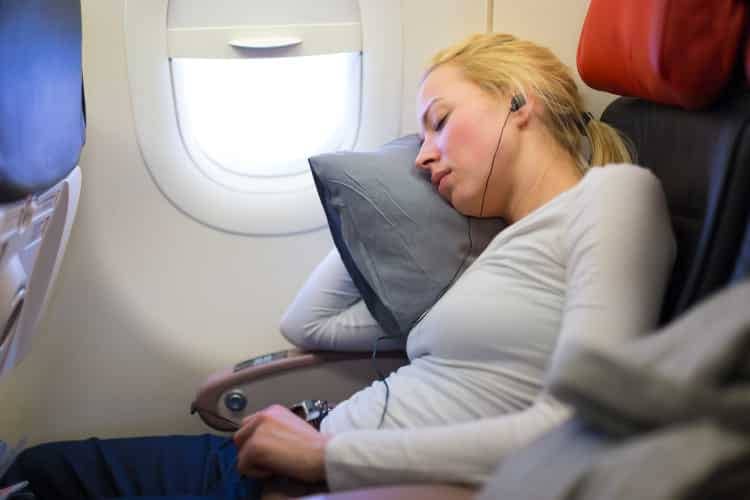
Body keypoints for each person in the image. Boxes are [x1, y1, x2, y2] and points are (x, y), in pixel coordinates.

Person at [0, 33, 675, 499]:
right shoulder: (492, 245)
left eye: (439, 122)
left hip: (337, 475)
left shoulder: (614, 197)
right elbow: (309, 323)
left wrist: (326, 456)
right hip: (305, 455)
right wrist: (387, 190)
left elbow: (580, 426)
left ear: (519, 101)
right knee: (37, 471)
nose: (422, 154)